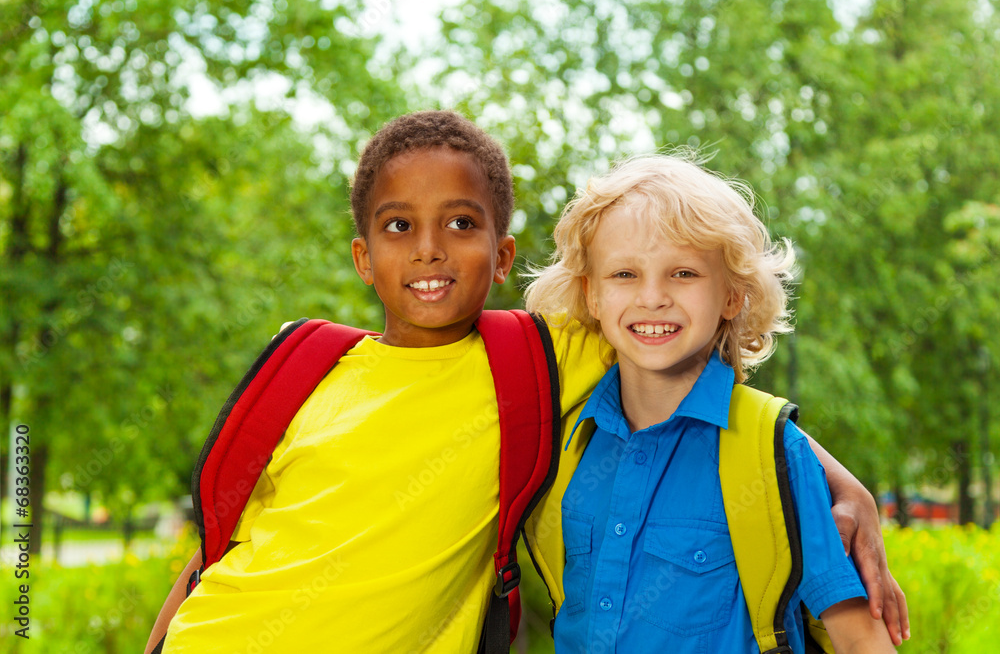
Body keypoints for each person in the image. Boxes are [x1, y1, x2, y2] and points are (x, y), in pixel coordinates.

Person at [147, 113, 905, 652]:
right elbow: (219, 551)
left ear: (504, 255)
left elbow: (696, 382)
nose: (431, 251)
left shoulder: (539, 356)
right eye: (399, 226)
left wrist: (837, 480)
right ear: (362, 255)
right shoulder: (307, 363)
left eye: (462, 224)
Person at [525, 153, 900, 653]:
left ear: (732, 296)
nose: (653, 297)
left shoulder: (771, 454)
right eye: (624, 275)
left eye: (683, 273)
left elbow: (860, 642)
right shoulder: (568, 441)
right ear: (591, 296)